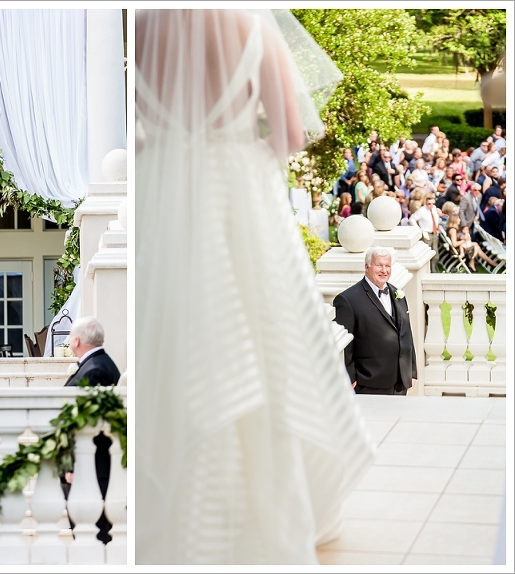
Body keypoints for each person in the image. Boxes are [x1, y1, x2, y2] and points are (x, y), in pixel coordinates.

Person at [136, 9, 374, 565]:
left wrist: (178, 155)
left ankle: (177, 492)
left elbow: (143, 128)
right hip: (239, 191)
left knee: (178, 339)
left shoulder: (143, 24)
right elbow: (290, 134)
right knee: (268, 345)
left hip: (164, 191)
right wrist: (237, 151)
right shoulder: (253, 25)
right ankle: (269, 501)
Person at [62, 315, 119, 545]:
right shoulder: (98, 364)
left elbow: (86, 424)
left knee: (94, 538)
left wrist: (73, 464)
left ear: (76, 341)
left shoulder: (95, 371)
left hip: (92, 467)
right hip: (92, 466)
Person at [333, 247, 417, 395]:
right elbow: (345, 344)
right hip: (368, 383)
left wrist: (412, 371)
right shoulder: (348, 300)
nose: (384, 270)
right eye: (379, 265)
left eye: (387, 266)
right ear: (367, 267)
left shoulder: (398, 295)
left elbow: (406, 334)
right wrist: (349, 376)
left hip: (400, 382)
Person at [64, 316, 121, 387]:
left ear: (76, 341)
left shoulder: (94, 371)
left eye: (70, 337)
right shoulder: (100, 361)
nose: (69, 342)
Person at [408, 192, 441, 272]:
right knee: (427, 254)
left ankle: (434, 270)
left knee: (436, 255)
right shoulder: (422, 210)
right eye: (429, 203)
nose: (431, 205)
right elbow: (412, 219)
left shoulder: (434, 208)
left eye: (433, 203)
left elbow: (435, 219)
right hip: (426, 234)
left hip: (434, 233)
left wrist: (438, 225)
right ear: (426, 202)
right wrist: (419, 229)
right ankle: (429, 271)